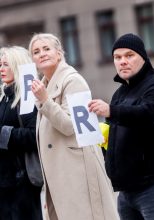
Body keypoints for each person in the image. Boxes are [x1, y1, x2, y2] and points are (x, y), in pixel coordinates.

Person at [28, 33, 119, 220]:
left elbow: (70, 126)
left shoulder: (72, 80)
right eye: (36, 52)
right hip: (62, 174)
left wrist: (45, 100)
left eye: (47, 49)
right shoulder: (44, 84)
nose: (42, 54)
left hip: (77, 171)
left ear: (59, 53)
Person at [88, 33, 154, 220]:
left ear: (143, 58)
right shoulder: (119, 93)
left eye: (129, 55)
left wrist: (111, 111)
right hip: (126, 190)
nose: (122, 62)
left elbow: (149, 113)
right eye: (117, 57)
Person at [0, 46, 43, 220]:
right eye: (0, 64)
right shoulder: (3, 97)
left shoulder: (27, 97)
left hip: (21, 181)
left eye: (6, 64)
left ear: (17, 66)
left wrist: (2, 134)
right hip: (4, 181)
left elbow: (34, 135)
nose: (1, 69)